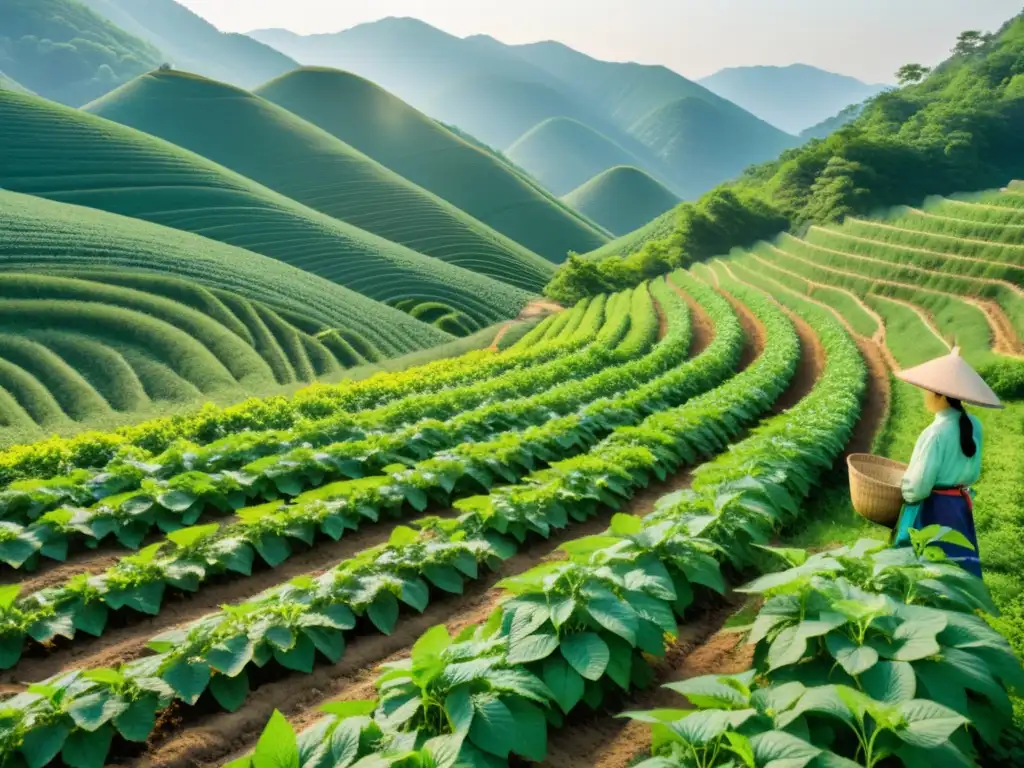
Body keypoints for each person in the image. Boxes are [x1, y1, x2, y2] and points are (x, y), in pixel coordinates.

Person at [892, 347, 1003, 577]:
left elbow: (919, 485)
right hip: (959, 506)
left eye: (928, 392)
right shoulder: (974, 425)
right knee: (958, 567)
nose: (925, 396)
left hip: (935, 507)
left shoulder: (935, 433)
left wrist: (905, 492)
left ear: (940, 395)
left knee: (929, 570)